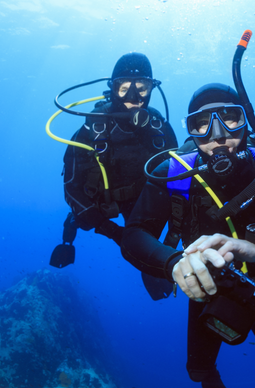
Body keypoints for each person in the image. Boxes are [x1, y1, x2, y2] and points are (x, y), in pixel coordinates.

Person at [121, 83, 255, 388]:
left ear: (247, 120)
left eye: (231, 118)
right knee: (198, 371)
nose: (218, 134)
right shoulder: (175, 172)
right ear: (191, 130)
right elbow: (134, 233)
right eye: (201, 123)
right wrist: (173, 262)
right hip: (204, 282)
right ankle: (211, 377)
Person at [50, 53, 178, 297]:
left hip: (142, 201)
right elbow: (71, 187)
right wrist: (110, 230)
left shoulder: (159, 129)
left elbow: (178, 179)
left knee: (141, 243)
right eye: (123, 88)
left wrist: (172, 238)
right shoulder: (92, 129)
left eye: (142, 88)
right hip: (102, 202)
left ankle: (158, 263)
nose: (133, 97)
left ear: (152, 89)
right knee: (85, 219)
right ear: (112, 88)